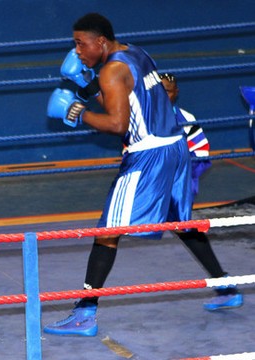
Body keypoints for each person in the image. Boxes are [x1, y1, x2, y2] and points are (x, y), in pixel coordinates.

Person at [45, 13, 242, 337]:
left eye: (81, 43)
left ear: (101, 42)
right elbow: (122, 92)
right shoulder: (135, 52)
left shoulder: (110, 70)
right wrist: (84, 82)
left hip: (148, 156)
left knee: (107, 231)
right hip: (176, 147)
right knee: (181, 222)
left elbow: (117, 124)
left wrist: (76, 113)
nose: (77, 50)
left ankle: (85, 312)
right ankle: (226, 288)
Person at [160, 72, 212, 198]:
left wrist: (180, 174)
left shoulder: (187, 119)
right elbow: (129, 153)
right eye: (158, 91)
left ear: (176, 92)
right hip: (149, 187)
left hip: (180, 187)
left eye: (167, 91)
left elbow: (201, 154)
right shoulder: (142, 119)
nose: (161, 96)